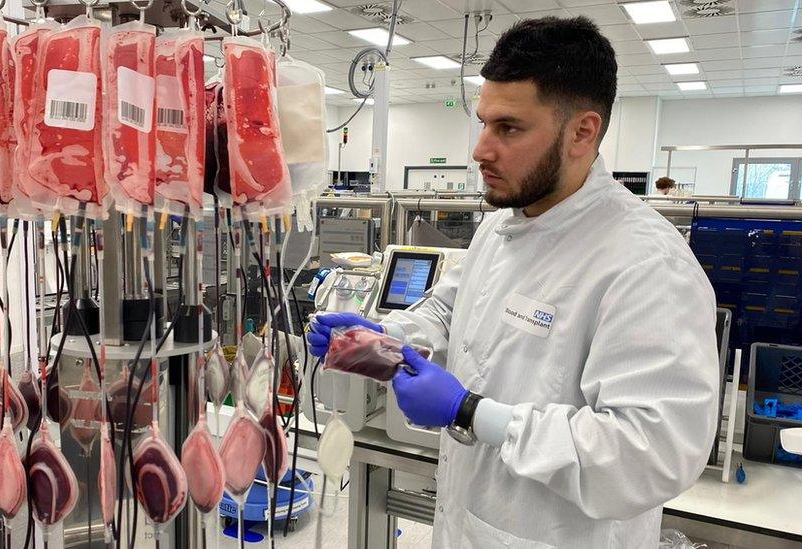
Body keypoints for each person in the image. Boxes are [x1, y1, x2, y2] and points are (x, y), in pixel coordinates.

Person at [307, 16, 718, 549]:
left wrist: (473, 413)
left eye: (509, 128)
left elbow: (650, 455)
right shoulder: (503, 224)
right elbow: (449, 314)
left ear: (582, 132)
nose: (480, 150)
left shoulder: (645, 265)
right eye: (483, 123)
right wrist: (380, 341)